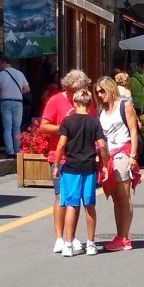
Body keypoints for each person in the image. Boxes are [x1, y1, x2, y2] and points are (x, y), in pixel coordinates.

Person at [39, 69, 92, 254]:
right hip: (60, 156)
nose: (80, 93)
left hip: (82, 156)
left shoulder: (86, 101)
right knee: (61, 195)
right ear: (67, 88)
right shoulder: (56, 100)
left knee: (76, 198)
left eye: (83, 88)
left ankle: (71, 236)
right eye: (76, 90)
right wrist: (65, 129)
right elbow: (44, 126)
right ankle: (59, 238)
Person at [52, 89, 108, 257]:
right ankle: (91, 243)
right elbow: (102, 146)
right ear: (90, 104)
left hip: (71, 168)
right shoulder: (94, 122)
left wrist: (56, 165)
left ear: (75, 103)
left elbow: (61, 144)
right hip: (89, 168)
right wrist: (104, 165)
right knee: (89, 205)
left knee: (71, 205)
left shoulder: (67, 121)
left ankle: (68, 244)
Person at [95, 76, 140, 251]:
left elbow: (134, 130)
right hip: (109, 156)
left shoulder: (124, 105)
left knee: (124, 196)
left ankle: (125, 237)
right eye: (97, 92)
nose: (100, 94)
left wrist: (133, 155)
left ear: (111, 88)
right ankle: (119, 236)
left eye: (102, 90)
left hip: (123, 152)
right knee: (116, 198)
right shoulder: (101, 110)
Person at [0, 55, 30, 158]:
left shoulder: (0, 75)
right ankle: (17, 151)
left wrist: (5, 92)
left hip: (6, 102)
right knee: (17, 128)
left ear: (4, 63)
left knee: (7, 127)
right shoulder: (20, 74)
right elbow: (27, 89)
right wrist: (17, 92)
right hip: (18, 102)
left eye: (0, 63)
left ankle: (10, 151)